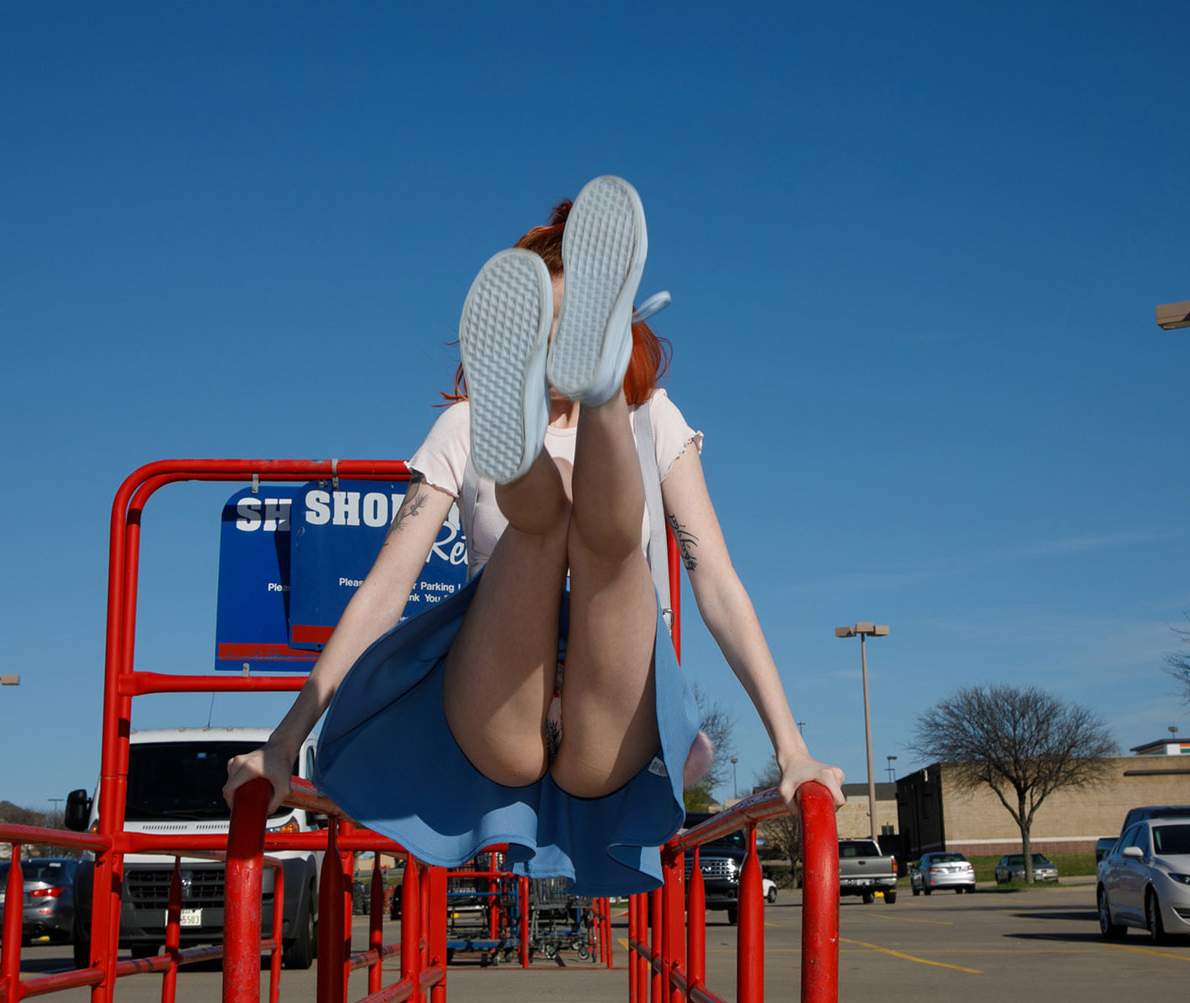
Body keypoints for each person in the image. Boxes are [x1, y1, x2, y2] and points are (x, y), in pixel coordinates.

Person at [223, 176, 844, 895]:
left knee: (607, 539)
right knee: (543, 521)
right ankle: (534, 465)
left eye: (573, 329)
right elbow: (384, 592)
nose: (552, 346)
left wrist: (791, 749)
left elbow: (718, 584)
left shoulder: (657, 421)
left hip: (610, 712)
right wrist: (284, 741)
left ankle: (601, 394)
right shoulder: (463, 427)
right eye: (539, 333)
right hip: (499, 703)